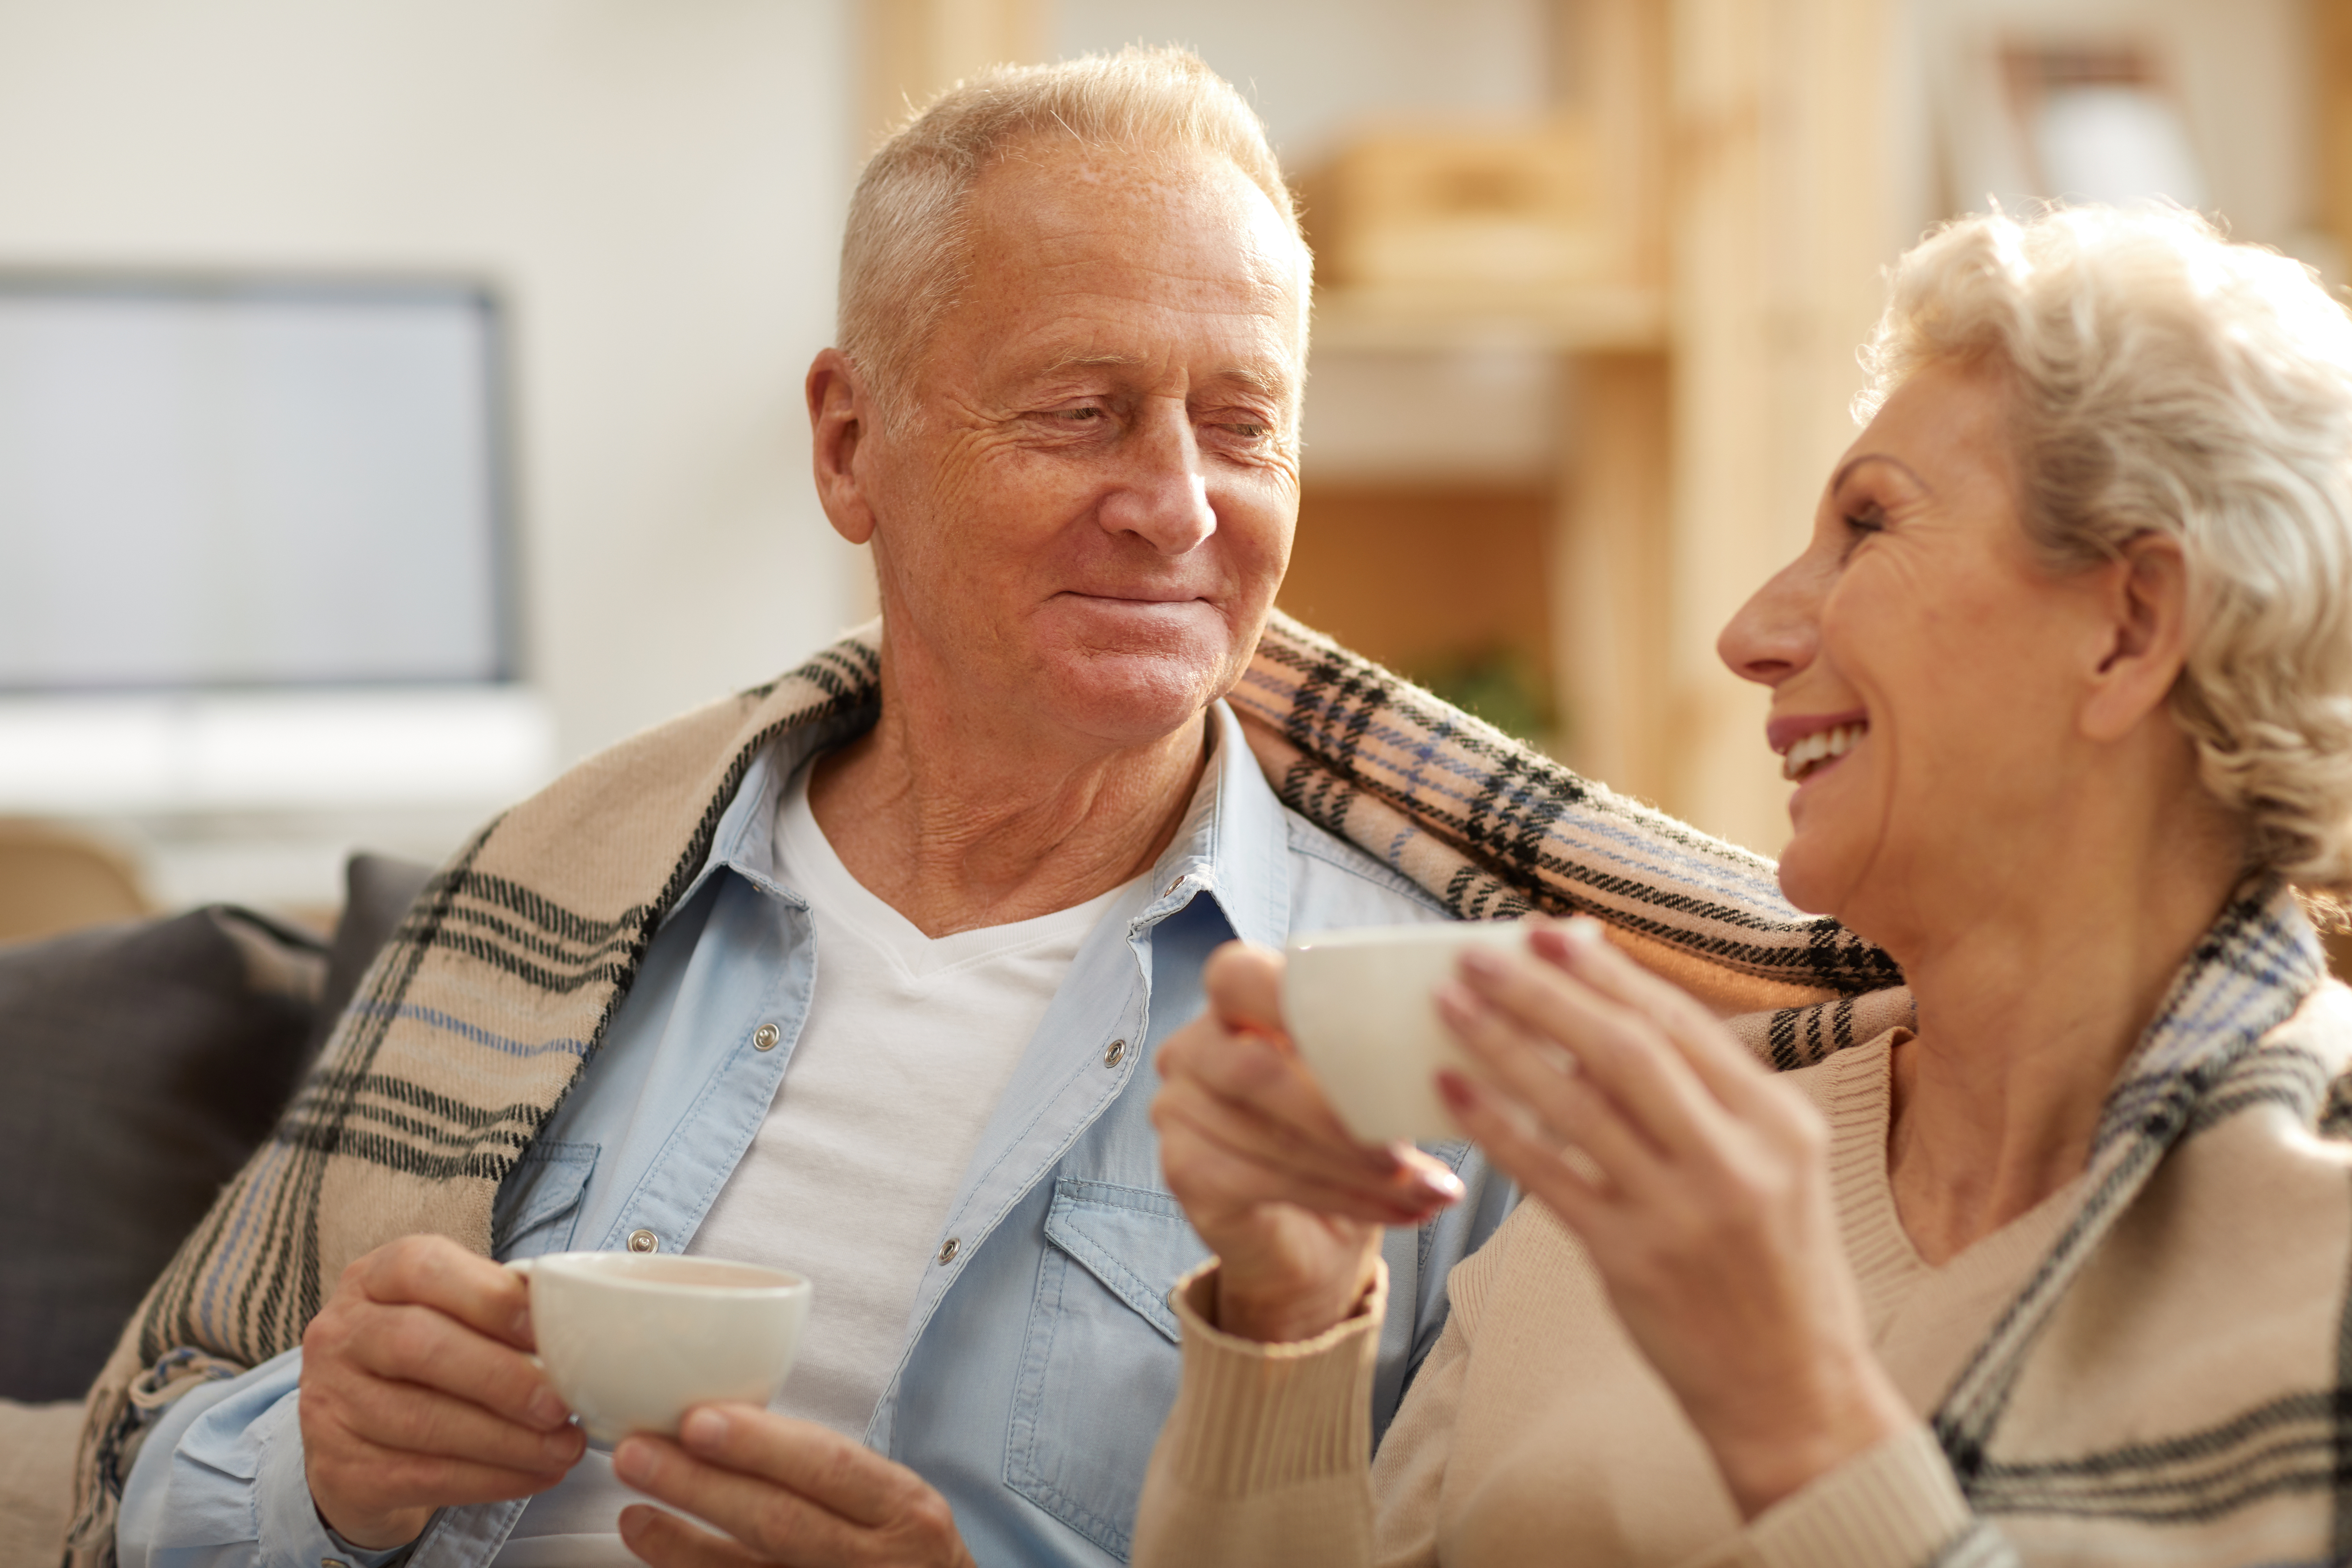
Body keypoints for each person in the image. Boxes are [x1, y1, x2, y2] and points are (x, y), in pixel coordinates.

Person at [70, 47, 1890, 1568]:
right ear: (851, 445)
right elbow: (138, 1473)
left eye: (1244, 424)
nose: (1177, 505)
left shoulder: (1439, 1042)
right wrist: (319, 1462)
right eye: (1083, 412)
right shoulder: (551, 896)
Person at [1134, 203, 2352, 1567]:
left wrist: (1802, 1423)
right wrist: (1291, 1324)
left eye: (1870, 524)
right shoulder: (1650, 1174)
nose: (1751, 633)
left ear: (2129, 628)